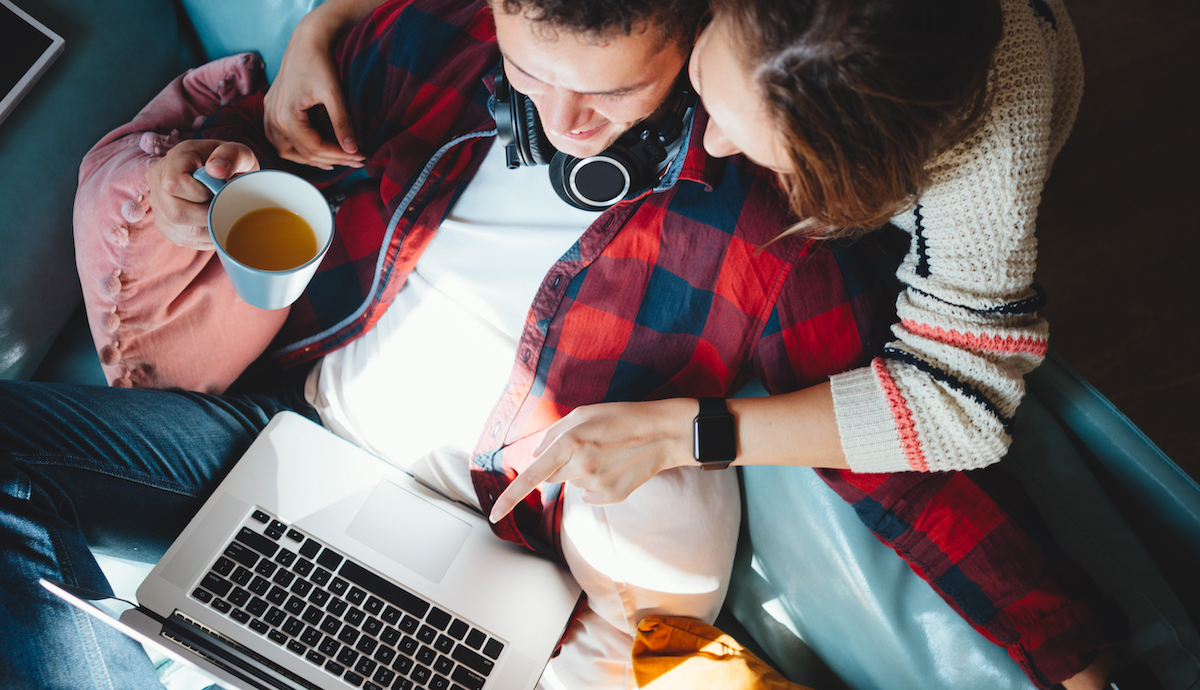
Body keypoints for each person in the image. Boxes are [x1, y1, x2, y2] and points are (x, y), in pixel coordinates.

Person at [0, 2, 1117, 690]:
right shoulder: (423, 36)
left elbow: (908, 445)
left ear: (695, 35)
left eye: (610, 91)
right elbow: (217, 160)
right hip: (266, 443)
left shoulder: (768, 236)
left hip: (465, 545)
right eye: (533, 72)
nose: (560, 121)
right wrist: (205, 159)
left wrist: (1071, 659)